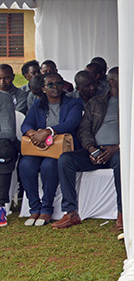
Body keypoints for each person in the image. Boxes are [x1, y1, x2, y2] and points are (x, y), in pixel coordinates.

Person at [53, 67, 122, 231]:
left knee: (122, 161)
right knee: (66, 159)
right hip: (96, 151)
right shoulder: (96, 102)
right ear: (112, 81)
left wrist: (118, 147)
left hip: (118, 151)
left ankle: (123, 212)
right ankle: (71, 212)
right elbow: (84, 130)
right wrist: (91, 149)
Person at [18, 73, 84, 226]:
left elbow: (71, 123)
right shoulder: (38, 104)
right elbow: (26, 124)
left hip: (58, 147)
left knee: (49, 165)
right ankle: (34, 208)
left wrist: (48, 131)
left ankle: (46, 209)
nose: (55, 87)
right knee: (25, 164)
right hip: (39, 147)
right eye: (50, 85)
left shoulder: (73, 103)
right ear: (43, 88)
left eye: (59, 83)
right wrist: (33, 134)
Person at [0, 87, 16, 227]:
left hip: (2, 143)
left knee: (4, 149)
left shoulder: (3, 98)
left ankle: (0, 206)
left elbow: (8, 132)